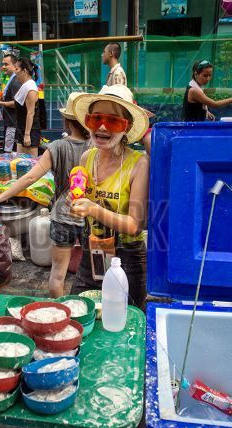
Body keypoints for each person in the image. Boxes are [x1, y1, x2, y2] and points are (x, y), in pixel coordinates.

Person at [0, 92, 89, 298]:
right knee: (92, 273)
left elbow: (28, 179)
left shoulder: (57, 147)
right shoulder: (96, 147)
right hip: (91, 215)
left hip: (62, 216)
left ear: (66, 120)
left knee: (58, 275)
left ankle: (59, 316)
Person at [69, 84, 149, 311]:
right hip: (91, 251)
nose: (103, 127)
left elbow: (135, 225)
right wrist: (74, 204)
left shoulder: (139, 163)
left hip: (128, 258)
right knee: (80, 310)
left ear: (127, 126)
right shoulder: (86, 158)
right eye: (96, 119)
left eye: (113, 121)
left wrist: (93, 208)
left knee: (126, 321)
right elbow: (80, 198)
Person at [0, 58, 40, 156]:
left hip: (29, 131)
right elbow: (17, 104)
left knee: (31, 163)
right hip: (21, 128)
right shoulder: (25, 86)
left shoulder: (31, 88)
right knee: (20, 162)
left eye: (16, 69)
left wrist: (27, 134)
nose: (15, 72)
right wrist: (0, 102)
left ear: (24, 71)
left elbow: (30, 112)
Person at [0, 54, 21, 153]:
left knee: (10, 152)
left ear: (15, 66)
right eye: (3, 64)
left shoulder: (15, 81)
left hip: (12, 123)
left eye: (6, 64)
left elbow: (16, 103)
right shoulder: (11, 80)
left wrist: (0, 103)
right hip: (10, 122)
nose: (3, 67)